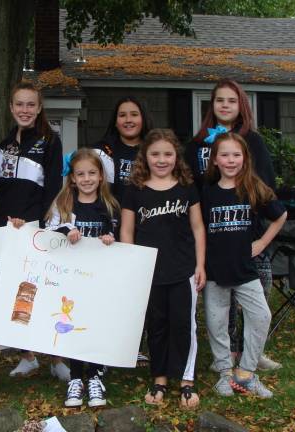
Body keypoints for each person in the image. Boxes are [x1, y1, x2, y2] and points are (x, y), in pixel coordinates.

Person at [185, 78, 281, 371]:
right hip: (213, 230)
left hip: (247, 230)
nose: (225, 105)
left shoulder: (252, 140)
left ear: (241, 106)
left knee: (255, 293)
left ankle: (251, 352)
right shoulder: (198, 142)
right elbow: (190, 185)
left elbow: (264, 183)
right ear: (211, 105)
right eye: (219, 100)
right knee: (219, 302)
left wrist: (261, 237)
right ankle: (224, 357)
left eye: (231, 100)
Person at [120, 129, 205, 409]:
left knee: (183, 326)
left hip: (183, 270)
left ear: (176, 156)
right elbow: (127, 231)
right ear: (145, 156)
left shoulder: (186, 186)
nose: (161, 159)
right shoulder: (135, 190)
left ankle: (186, 381)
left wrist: (200, 265)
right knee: (156, 327)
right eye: (155, 154)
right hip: (149, 272)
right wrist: (132, 267)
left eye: (167, 154)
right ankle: (159, 378)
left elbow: (197, 228)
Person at [0, 81, 66, 380]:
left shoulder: (50, 140)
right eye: (19, 104)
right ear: (11, 108)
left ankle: (57, 358)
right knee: (17, 293)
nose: (24, 109)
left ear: (39, 107)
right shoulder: (4, 144)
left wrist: (46, 223)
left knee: (45, 290)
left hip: (37, 226)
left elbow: (53, 187)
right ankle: (27, 355)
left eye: (30, 104)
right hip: (8, 228)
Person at [202, 132, 287, 398]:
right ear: (215, 159)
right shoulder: (206, 192)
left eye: (236, 155)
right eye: (224, 155)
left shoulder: (252, 187)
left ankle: (247, 373)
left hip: (245, 270)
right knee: (216, 323)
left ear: (244, 158)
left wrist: (262, 243)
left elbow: (280, 215)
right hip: (215, 270)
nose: (230, 160)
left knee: (261, 315)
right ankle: (225, 372)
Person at [45, 148, 119, 408]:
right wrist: (66, 230)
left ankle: (96, 376)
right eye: (80, 174)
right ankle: (75, 377)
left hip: (99, 280)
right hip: (72, 281)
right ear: (72, 178)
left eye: (92, 173)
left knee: (96, 325)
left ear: (101, 176)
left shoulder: (109, 205)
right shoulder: (64, 204)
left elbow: (118, 239)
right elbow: (49, 231)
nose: (86, 178)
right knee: (74, 325)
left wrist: (110, 240)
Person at [91, 96, 153, 367]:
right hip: (109, 229)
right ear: (114, 121)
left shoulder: (154, 149)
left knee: (141, 290)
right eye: (122, 115)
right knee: (109, 289)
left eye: (134, 114)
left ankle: (137, 344)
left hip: (147, 227)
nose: (128, 120)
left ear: (143, 118)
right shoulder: (102, 150)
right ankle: (105, 345)